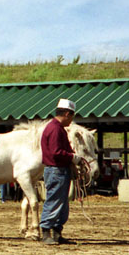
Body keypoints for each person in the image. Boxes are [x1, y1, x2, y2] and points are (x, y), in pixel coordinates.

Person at [38, 98, 81, 245]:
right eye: (72, 116)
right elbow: (56, 152)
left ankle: (56, 233)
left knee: (61, 202)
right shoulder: (56, 129)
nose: (71, 121)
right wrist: (72, 157)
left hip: (59, 170)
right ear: (67, 114)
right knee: (55, 200)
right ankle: (46, 232)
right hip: (56, 170)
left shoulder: (55, 128)